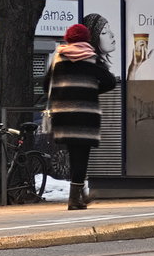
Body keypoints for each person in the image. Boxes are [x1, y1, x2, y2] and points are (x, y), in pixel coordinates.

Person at [44, 23, 116, 210]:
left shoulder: (58, 58)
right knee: (81, 155)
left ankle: (79, 195)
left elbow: (46, 85)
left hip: (63, 114)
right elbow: (110, 81)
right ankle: (74, 199)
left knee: (73, 152)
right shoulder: (91, 58)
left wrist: (62, 95)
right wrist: (91, 91)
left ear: (68, 38)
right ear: (86, 38)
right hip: (85, 114)